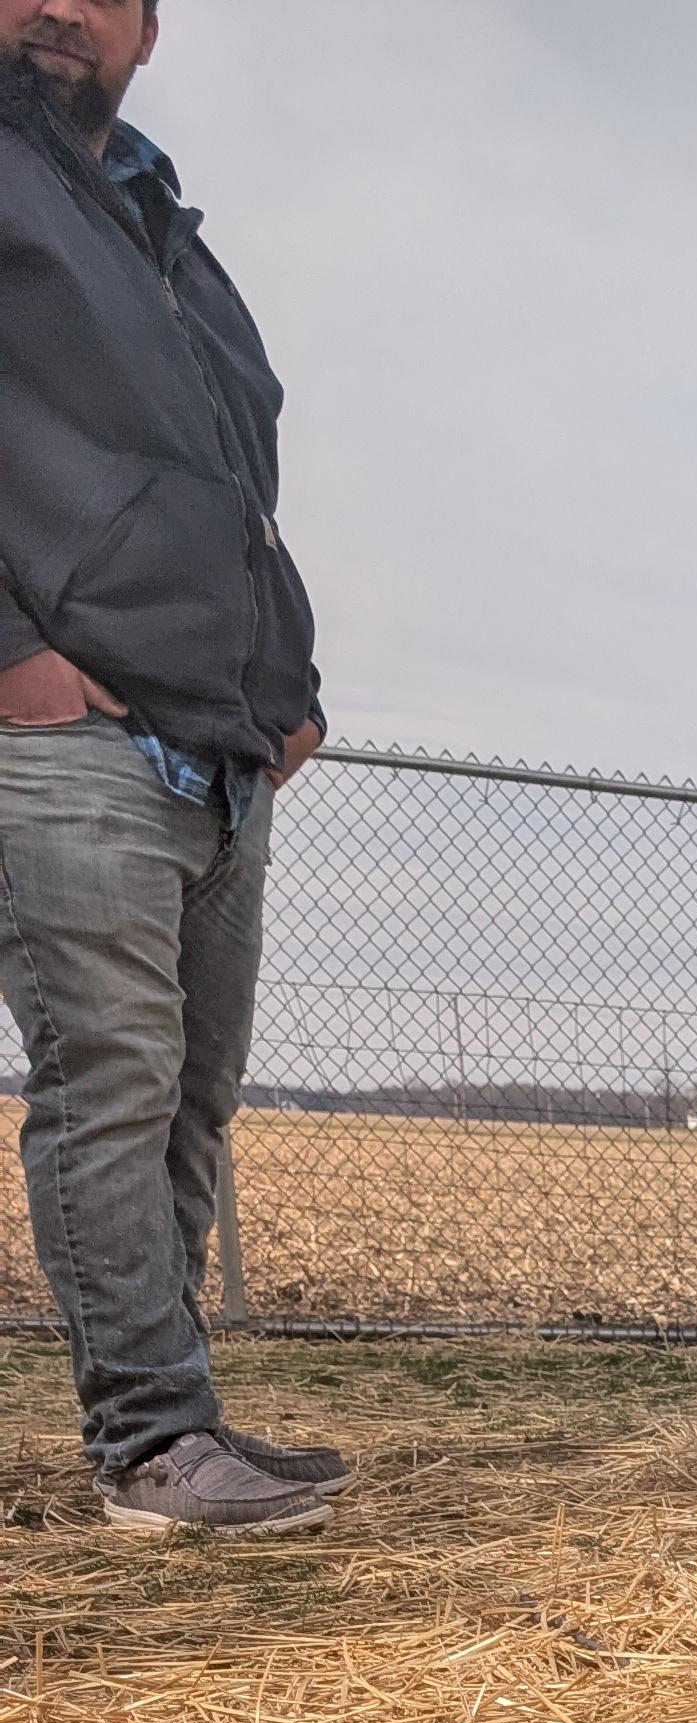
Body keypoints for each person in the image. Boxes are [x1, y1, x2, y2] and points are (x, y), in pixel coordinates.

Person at [0, 0, 347, 1535]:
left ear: (152, 29)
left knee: (191, 1103)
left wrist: (290, 679)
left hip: (218, 741)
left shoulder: (165, 231)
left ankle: (181, 1410)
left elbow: (231, 482)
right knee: (113, 1084)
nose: (63, 6)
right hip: (69, 730)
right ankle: (147, 1444)